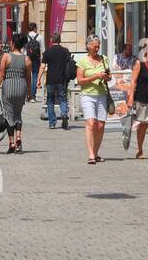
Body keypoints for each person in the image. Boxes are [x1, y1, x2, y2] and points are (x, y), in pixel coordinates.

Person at [75, 33, 112, 165]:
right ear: (88, 46)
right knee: (91, 123)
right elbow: (80, 80)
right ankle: (90, 154)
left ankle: (96, 152)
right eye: (95, 47)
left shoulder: (104, 59)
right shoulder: (82, 61)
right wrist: (96, 76)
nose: (97, 49)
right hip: (87, 95)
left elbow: (109, 76)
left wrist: (106, 77)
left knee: (100, 125)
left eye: (98, 46)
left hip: (102, 94)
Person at [0, 32, 31, 153]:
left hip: (9, 87)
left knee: (9, 116)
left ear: (13, 44)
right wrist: (29, 92)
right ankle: (18, 136)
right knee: (18, 114)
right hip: (21, 87)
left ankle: (12, 143)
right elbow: (28, 77)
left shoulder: (6, 57)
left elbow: (1, 74)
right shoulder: (26, 59)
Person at [42, 31, 74, 130]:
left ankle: (52, 122)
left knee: (50, 100)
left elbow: (42, 66)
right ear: (60, 40)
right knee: (62, 98)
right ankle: (64, 113)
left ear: (52, 40)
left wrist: (38, 79)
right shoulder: (65, 51)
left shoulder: (47, 51)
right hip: (62, 79)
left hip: (50, 79)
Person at [25, 24, 42, 100]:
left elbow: (23, 50)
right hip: (36, 59)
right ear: (35, 28)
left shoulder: (25, 37)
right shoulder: (40, 37)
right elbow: (43, 49)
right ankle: (33, 95)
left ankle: (28, 94)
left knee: (27, 76)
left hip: (27, 58)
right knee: (35, 76)